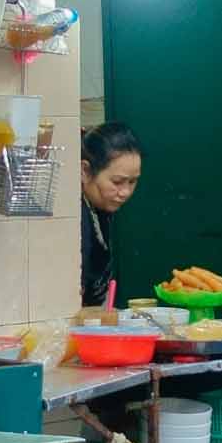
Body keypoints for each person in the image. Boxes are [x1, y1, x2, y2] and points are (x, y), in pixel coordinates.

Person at [80, 122, 143, 309]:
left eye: (132, 182)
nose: (125, 192)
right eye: (117, 181)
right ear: (85, 171)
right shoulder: (73, 218)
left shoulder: (101, 207)